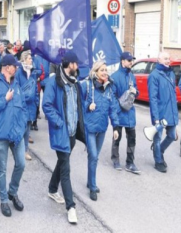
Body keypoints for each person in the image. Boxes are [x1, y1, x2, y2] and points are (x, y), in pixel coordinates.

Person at [42, 51, 85, 224]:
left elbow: (77, 105)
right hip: (61, 133)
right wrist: (59, 123)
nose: (78, 66)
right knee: (66, 169)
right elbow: (47, 105)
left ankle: (52, 188)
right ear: (69, 64)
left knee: (62, 162)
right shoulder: (54, 82)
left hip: (72, 133)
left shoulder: (75, 82)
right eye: (76, 63)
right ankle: (71, 207)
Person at [0, 54, 27, 217]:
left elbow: (23, 107)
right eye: (14, 66)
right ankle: (3, 199)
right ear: (6, 67)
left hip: (17, 134)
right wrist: (5, 99)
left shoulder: (17, 84)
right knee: (1, 169)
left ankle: (12, 192)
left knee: (21, 164)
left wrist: (22, 125)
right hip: (1, 134)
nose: (16, 68)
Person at [81, 60, 120, 201]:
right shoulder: (86, 85)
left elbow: (113, 108)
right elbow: (77, 102)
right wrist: (87, 105)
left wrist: (115, 127)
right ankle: (92, 186)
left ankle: (89, 180)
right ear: (95, 72)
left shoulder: (109, 87)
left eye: (106, 70)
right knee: (94, 157)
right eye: (102, 70)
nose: (105, 72)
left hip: (102, 128)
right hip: (90, 127)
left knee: (93, 157)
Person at [148, 52, 179, 173]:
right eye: (165, 58)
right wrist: (155, 118)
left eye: (169, 58)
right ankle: (158, 161)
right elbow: (153, 98)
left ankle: (159, 150)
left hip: (171, 113)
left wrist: (175, 116)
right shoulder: (154, 75)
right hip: (160, 114)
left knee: (172, 136)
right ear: (159, 60)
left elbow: (173, 95)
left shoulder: (171, 73)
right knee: (157, 138)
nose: (168, 60)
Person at [110, 52, 141, 174]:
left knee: (132, 139)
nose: (131, 62)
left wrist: (136, 92)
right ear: (122, 61)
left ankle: (130, 162)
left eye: (132, 60)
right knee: (117, 137)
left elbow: (136, 91)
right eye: (129, 60)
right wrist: (118, 109)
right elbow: (112, 97)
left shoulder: (131, 75)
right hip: (119, 113)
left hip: (130, 113)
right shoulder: (114, 76)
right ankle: (115, 160)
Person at [15, 51, 39, 161]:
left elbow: (35, 89)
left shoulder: (33, 72)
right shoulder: (19, 73)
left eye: (31, 58)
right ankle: (19, 150)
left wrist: (37, 102)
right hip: (22, 106)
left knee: (27, 130)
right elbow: (16, 89)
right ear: (24, 60)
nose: (31, 60)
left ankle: (25, 150)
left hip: (31, 106)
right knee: (21, 129)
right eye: (29, 58)